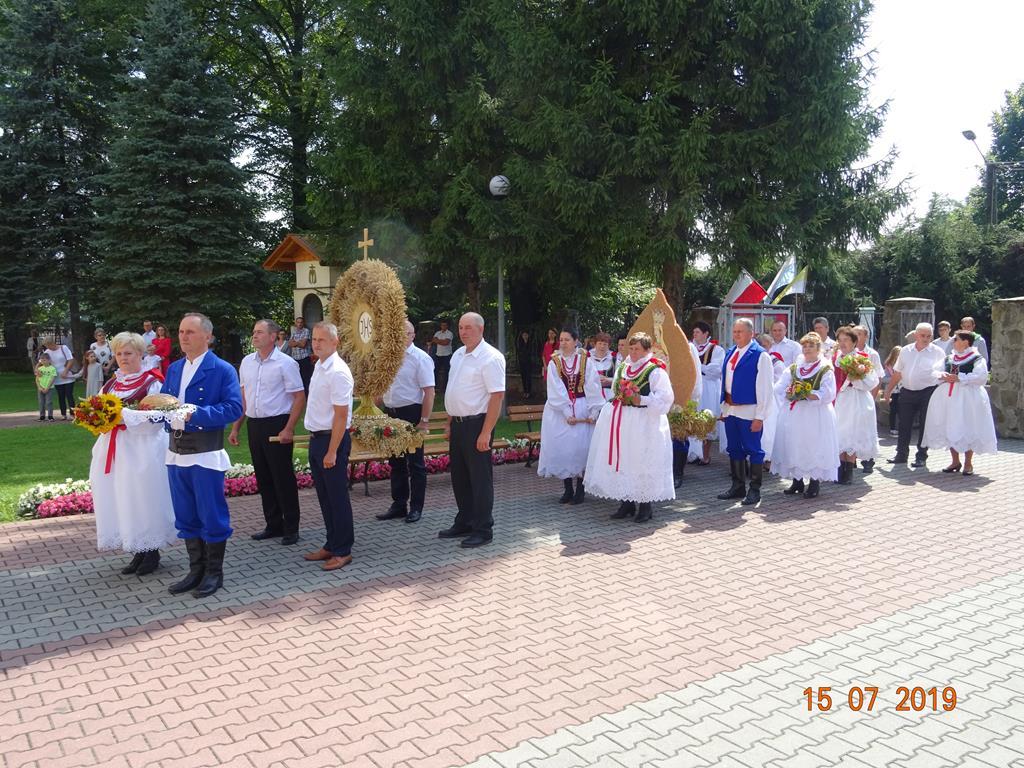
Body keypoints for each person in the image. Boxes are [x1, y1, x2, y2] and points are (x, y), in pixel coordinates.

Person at [162, 313, 243, 598]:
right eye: (181, 331)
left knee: (211, 514)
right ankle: (195, 570)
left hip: (205, 452)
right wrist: (151, 413)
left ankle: (214, 573)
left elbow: (234, 408)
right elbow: (163, 404)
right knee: (185, 514)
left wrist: (195, 413)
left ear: (207, 336)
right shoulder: (174, 369)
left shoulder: (222, 369)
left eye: (190, 332)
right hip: (176, 452)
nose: (183, 337)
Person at [90, 332, 177, 575]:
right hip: (114, 448)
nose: (123, 358)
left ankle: (152, 549)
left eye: (128, 353)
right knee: (122, 496)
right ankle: (137, 548)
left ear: (140, 354)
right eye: (119, 353)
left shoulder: (151, 382)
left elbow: (159, 417)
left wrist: (125, 416)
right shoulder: (111, 384)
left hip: (142, 447)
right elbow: (99, 410)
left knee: (143, 496)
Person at [230, 320, 306, 546]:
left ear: (273, 337)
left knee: (282, 478)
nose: (254, 335)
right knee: (263, 477)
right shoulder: (247, 362)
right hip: (255, 425)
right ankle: (273, 525)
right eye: (254, 332)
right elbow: (244, 398)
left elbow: (299, 397)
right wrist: (236, 427)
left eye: (260, 332)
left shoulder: (286, 363)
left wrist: (289, 428)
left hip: (277, 424)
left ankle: (291, 527)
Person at [584, 332, 674, 522]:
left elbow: (665, 400)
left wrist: (641, 399)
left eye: (637, 349)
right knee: (624, 459)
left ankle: (645, 505)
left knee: (642, 461)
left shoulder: (655, 370)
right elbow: (615, 390)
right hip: (623, 421)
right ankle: (626, 501)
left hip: (644, 423)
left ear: (647, 350)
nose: (633, 352)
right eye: (631, 348)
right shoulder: (623, 367)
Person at [439, 313, 506, 547]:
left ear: (481, 328)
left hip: (477, 424)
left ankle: (483, 528)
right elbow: (454, 390)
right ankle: (465, 520)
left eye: (468, 327)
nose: (463, 332)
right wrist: (449, 422)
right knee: (460, 478)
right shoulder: (458, 354)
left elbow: (497, 396)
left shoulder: (490, 357)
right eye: (460, 327)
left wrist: (486, 432)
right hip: (458, 424)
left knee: (479, 479)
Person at [302, 322, 356, 571]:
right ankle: (331, 543)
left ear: (335, 342)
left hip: (331, 440)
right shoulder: (320, 366)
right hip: (317, 438)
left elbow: (341, 416)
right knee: (325, 497)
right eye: (314, 339)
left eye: (322, 340)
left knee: (337, 497)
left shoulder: (338, 371)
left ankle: (343, 550)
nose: (316, 343)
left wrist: (332, 451)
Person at [378, 319, 435, 524]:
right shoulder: (387, 356)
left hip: (411, 413)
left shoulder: (421, 358)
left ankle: (416, 507)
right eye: (397, 333)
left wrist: (424, 421)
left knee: (415, 463)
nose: (400, 336)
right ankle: (399, 505)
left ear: (413, 335)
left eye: (406, 333)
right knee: (396, 461)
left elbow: (429, 392)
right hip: (390, 413)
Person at [771, 333, 839, 499]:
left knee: (813, 445)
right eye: (805, 346)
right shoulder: (794, 368)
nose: (807, 349)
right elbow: (779, 387)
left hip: (815, 414)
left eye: (811, 346)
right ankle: (797, 481)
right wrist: (790, 391)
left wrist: (807, 393)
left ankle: (814, 482)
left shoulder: (825, 369)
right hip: (795, 413)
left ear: (818, 349)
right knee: (795, 443)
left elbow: (828, 393)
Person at [538, 329, 602, 504]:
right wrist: (566, 412)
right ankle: (567, 488)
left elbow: (593, 385)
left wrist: (594, 411)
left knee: (582, 448)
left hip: (582, 407)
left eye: (567, 339)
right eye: (561, 340)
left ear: (576, 341)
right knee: (564, 448)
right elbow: (555, 389)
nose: (563, 343)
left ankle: (581, 489)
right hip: (559, 410)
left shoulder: (585, 361)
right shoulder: (554, 362)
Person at [922, 330, 998, 476]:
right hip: (949, 398)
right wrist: (942, 375)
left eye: (956, 339)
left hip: (968, 398)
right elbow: (934, 371)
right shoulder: (949, 358)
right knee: (950, 425)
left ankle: (968, 463)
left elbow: (981, 376)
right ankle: (955, 461)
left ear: (965, 342)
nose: (953, 341)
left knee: (968, 425)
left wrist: (959, 378)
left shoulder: (976, 358)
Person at [717, 319, 774, 506]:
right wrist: (724, 408)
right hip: (731, 409)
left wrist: (760, 417)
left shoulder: (760, 355)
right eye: (735, 331)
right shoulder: (731, 352)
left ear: (751, 333)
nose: (736, 335)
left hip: (749, 411)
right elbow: (726, 382)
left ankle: (755, 490)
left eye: (740, 331)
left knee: (753, 449)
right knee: (734, 448)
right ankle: (737, 486)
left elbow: (765, 389)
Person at [883, 322, 945, 468]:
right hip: (907, 391)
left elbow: (942, 374)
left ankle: (921, 456)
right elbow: (897, 373)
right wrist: (888, 390)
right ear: (916, 335)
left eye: (929, 336)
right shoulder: (905, 350)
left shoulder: (938, 352)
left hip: (928, 392)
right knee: (904, 424)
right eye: (923, 335)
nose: (926, 339)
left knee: (925, 425)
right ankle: (901, 455)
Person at [832, 327, 879, 484]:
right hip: (840, 400)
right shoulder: (835, 359)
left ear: (854, 342)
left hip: (857, 399)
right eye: (840, 340)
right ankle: (840, 470)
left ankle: (849, 472)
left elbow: (872, 382)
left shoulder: (862, 358)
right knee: (840, 433)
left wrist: (856, 378)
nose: (842, 343)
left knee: (853, 433)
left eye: (846, 340)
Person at [689, 323, 724, 467]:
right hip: (693, 386)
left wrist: (698, 367)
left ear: (706, 333)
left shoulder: (716, 349)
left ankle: (705, 455)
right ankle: (693, 453)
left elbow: (715, 370)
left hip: (709, 388)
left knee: (707, 418)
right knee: (692, 417)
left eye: (697, 332)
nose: (694, 335)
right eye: (694, 332)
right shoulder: (689, 348)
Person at [41, 338, 76, 420]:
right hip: (57, 378)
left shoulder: (64, 348)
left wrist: (65, 371)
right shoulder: (47, 352)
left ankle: (73, 413)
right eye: (46, 346)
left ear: (52, 343)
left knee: (69, 395)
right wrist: (37, 369)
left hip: (67, 377)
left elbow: (71, 360)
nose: (48, 347)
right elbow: (42, 362)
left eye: (48, 345)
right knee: (61, 396)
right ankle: (63, 414)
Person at [288, 316, 313, 393]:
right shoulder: (294, 332)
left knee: (306, 379)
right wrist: (299, 342)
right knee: (297, 378)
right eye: (298, 322)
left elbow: (303, 345)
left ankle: (307, 396)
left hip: (304, 358)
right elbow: (290, 344)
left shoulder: (306, 331)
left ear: (303, 323)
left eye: (301, 322)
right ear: (295, 323)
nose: (299, 324)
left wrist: (295, 343)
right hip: (295, 359)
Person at [882, 345, 901, 437]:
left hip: (901, 390)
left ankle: (901, 428)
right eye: (898, 354)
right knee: (893, 410)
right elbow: (883, 379)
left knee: (902, 410)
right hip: (892, 391)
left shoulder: (903, 365)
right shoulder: (888, 366)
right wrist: (894, 379)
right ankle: (892, 428)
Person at [432, 319, 455, 391]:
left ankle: (445, 388)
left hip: (447, 355)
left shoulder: (450, 333)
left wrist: (438, 341)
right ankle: (435, 387)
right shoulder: (438, 333)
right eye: (442, 325)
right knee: (435, 370)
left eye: (445, 325)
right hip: (438, 354)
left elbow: (446, 343)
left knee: (446, 372)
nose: (443, 326)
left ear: (447, 326)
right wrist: (441, 341)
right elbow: (433, 340)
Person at [35, 354, 56, 421]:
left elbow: (52, 379)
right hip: (41, 388)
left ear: (49, 360)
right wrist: (39, 387)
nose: (43, 362)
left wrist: (47, 388)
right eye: (42, 360)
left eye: (44, 360)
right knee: (41, 402)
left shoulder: (52, 368)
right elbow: (37, 379)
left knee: (49, 402)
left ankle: (50, 416)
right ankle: (42, 416)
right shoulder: (40, 368)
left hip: (49, 388)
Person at [515, 330, 535, 399]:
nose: (525, 336)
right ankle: (525, 391)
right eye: (523, 335)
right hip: (522, 362)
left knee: (528, 377)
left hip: (529, 363)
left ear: (528, 336)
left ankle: (529, 392)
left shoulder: (530, 343)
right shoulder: (520, 343)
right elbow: (519, 352)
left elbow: (531, 352)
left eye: (526, 335)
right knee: (523, 377)